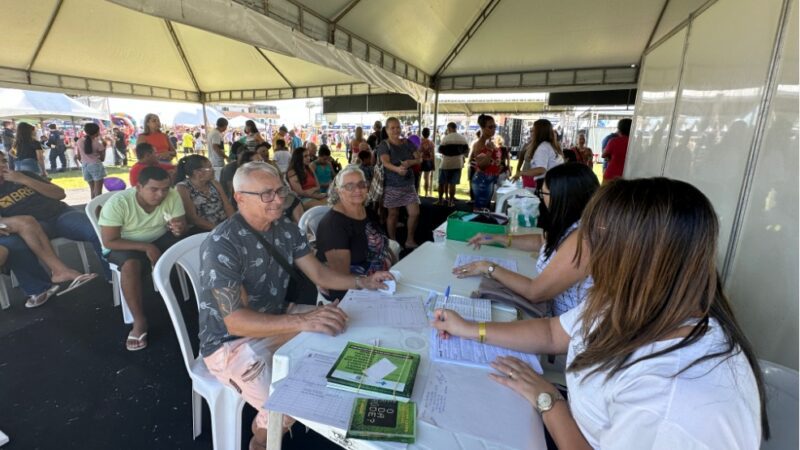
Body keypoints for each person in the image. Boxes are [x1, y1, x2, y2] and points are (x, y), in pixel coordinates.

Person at [434, 177, 769, 449]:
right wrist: (469, 329)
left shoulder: (676, 398)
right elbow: (554, 333)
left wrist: (547, 399)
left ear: (636, 256)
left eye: (594, 238)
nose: (582, 250)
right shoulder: (631, 302)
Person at [198, 161, 393, 450]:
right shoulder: (222, 243)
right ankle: (259, 442)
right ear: (239, 197)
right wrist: (305, 321)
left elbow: (320, 274)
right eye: (266, 194)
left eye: (279, 191)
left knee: (339, 321)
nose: (277, 200)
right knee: (285, 406)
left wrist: (364, 282)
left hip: (276, 315)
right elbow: (235, 321)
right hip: (229, 343)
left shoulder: (286, 230)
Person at [455, 163, 598, 318]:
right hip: (554, 316)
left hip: (568, 329)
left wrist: (487, 267)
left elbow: (534, 291)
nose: (542, 199)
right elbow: (540, 241)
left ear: (563, 198)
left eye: (544, 194)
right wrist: (496, 238)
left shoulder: (582, 241)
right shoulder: (575, 223)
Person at [0, 152, 110, 307]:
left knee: (94, 228)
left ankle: (114, 273)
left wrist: (24, 179)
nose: (2, 166)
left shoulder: (24, 175)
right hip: (33, 228)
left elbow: (60, 194)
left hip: (61, 215)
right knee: (16, 242)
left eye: (3, 161)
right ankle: (40, 287)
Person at [98, 166, 187, 351]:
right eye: (153, 189)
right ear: (138, 187)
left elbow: (181, 225)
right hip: (124, 242)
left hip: (159, 236)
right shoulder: (119, 203)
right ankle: (139, 321)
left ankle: (205, 300)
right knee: (130, 265)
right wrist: (146, 247)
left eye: (164, 189)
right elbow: (109, 241)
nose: (161, 194)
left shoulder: (172, 195)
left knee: (191, 245)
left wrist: (179, 228)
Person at [315, 167, 395, 300]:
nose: (357, 190)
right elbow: (341, 279)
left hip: (383, 282)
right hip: (353, 293)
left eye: (361, 184)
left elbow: (383, 244)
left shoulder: (368, 212)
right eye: (349, 186)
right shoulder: (333, 226)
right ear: (338, 191)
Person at [376, 117, 421, 248]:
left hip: (408, 184)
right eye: (392, 128)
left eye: (398, 127)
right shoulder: (384, 145)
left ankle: (409, 240)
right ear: (386, 129)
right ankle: (393, 242)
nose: (396, 130)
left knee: (415, 213)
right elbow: (385, 162)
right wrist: (397, 169)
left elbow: (419, 159)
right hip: (392, 186)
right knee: (393, 214)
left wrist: (409, 163)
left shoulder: (407, 143)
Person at [175, 155, 235, 232]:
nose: (213, 170)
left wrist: (233, 223)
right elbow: (193, 218)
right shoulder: (183, 188)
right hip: (202, 230)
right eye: (209, 167)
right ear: (197, 172)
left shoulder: (214, 183)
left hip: (223, 225)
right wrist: (219, 229)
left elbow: (227, 206)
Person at [513, 118, 564, 189]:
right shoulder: (550, 145)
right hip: (553, 183)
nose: (531, 133)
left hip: (546, 184)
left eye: (533, 131)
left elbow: (541, 169)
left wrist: (521, 173)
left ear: (539, 132)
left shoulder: (543, 147)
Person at [469, 114, 502, 210]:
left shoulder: (489, 141)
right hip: (482, 180)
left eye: (495, 126)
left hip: (488, 178)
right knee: (481, 210)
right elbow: (482, 166)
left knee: (484, 209)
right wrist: (490, 152)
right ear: (482, 128)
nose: (494, 129)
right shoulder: (480, 144)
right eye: (490, 127)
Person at [435, 122, 469, 207]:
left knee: (442, 182)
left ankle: (440, 200)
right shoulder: (462, 138)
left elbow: (440, 150)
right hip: (458, 163)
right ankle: (450, 201)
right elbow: (466, 151)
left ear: (449, 128)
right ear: (455, 128)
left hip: (446, 163)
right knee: (453, 184)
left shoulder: (446, 138)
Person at [74, 123, 106, 199]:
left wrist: (84, 162)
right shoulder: (98, 143)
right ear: (97, 132)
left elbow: (78, 156)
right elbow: (102, 159)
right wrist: (104, 147)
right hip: (95, 165)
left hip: (85, 166)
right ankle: (98, 209)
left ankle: (92, 208)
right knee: (98, 191)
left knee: (92, 189)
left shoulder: (79, 141)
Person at [603, 118, 632, 182]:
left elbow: (603, 155)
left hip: (611, 176)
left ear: (619, 129)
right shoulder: (634, 142)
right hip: (629, 176)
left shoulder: (614, 141)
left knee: (607, 192)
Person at [418, 128, 435, 198]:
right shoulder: (431, 143)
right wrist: (433, 164)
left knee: (418, 178)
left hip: (419, 161)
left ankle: (417, 192)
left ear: (422, 133)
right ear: (429, 134)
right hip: (428, 161)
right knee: (427, 178)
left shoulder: (419, 142)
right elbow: (433, 154)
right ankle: (426, 193)